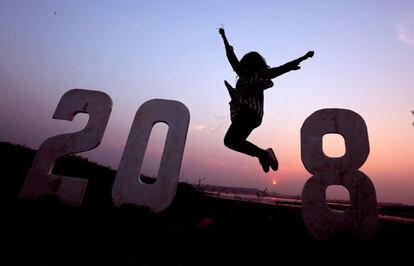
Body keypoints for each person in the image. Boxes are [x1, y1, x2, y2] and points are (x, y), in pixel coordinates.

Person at [219, 27, 314, 173]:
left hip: (248, 113)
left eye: (245, 63)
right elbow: (231, 57)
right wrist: (224, 38)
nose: (241, 66)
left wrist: (302, 58)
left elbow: (279, 69)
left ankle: (264, 154)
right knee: (233, 142)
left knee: (230, 141)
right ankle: (263, 155)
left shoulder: (260, 74)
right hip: (250, 117)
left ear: (250, 64)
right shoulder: (242, 74)